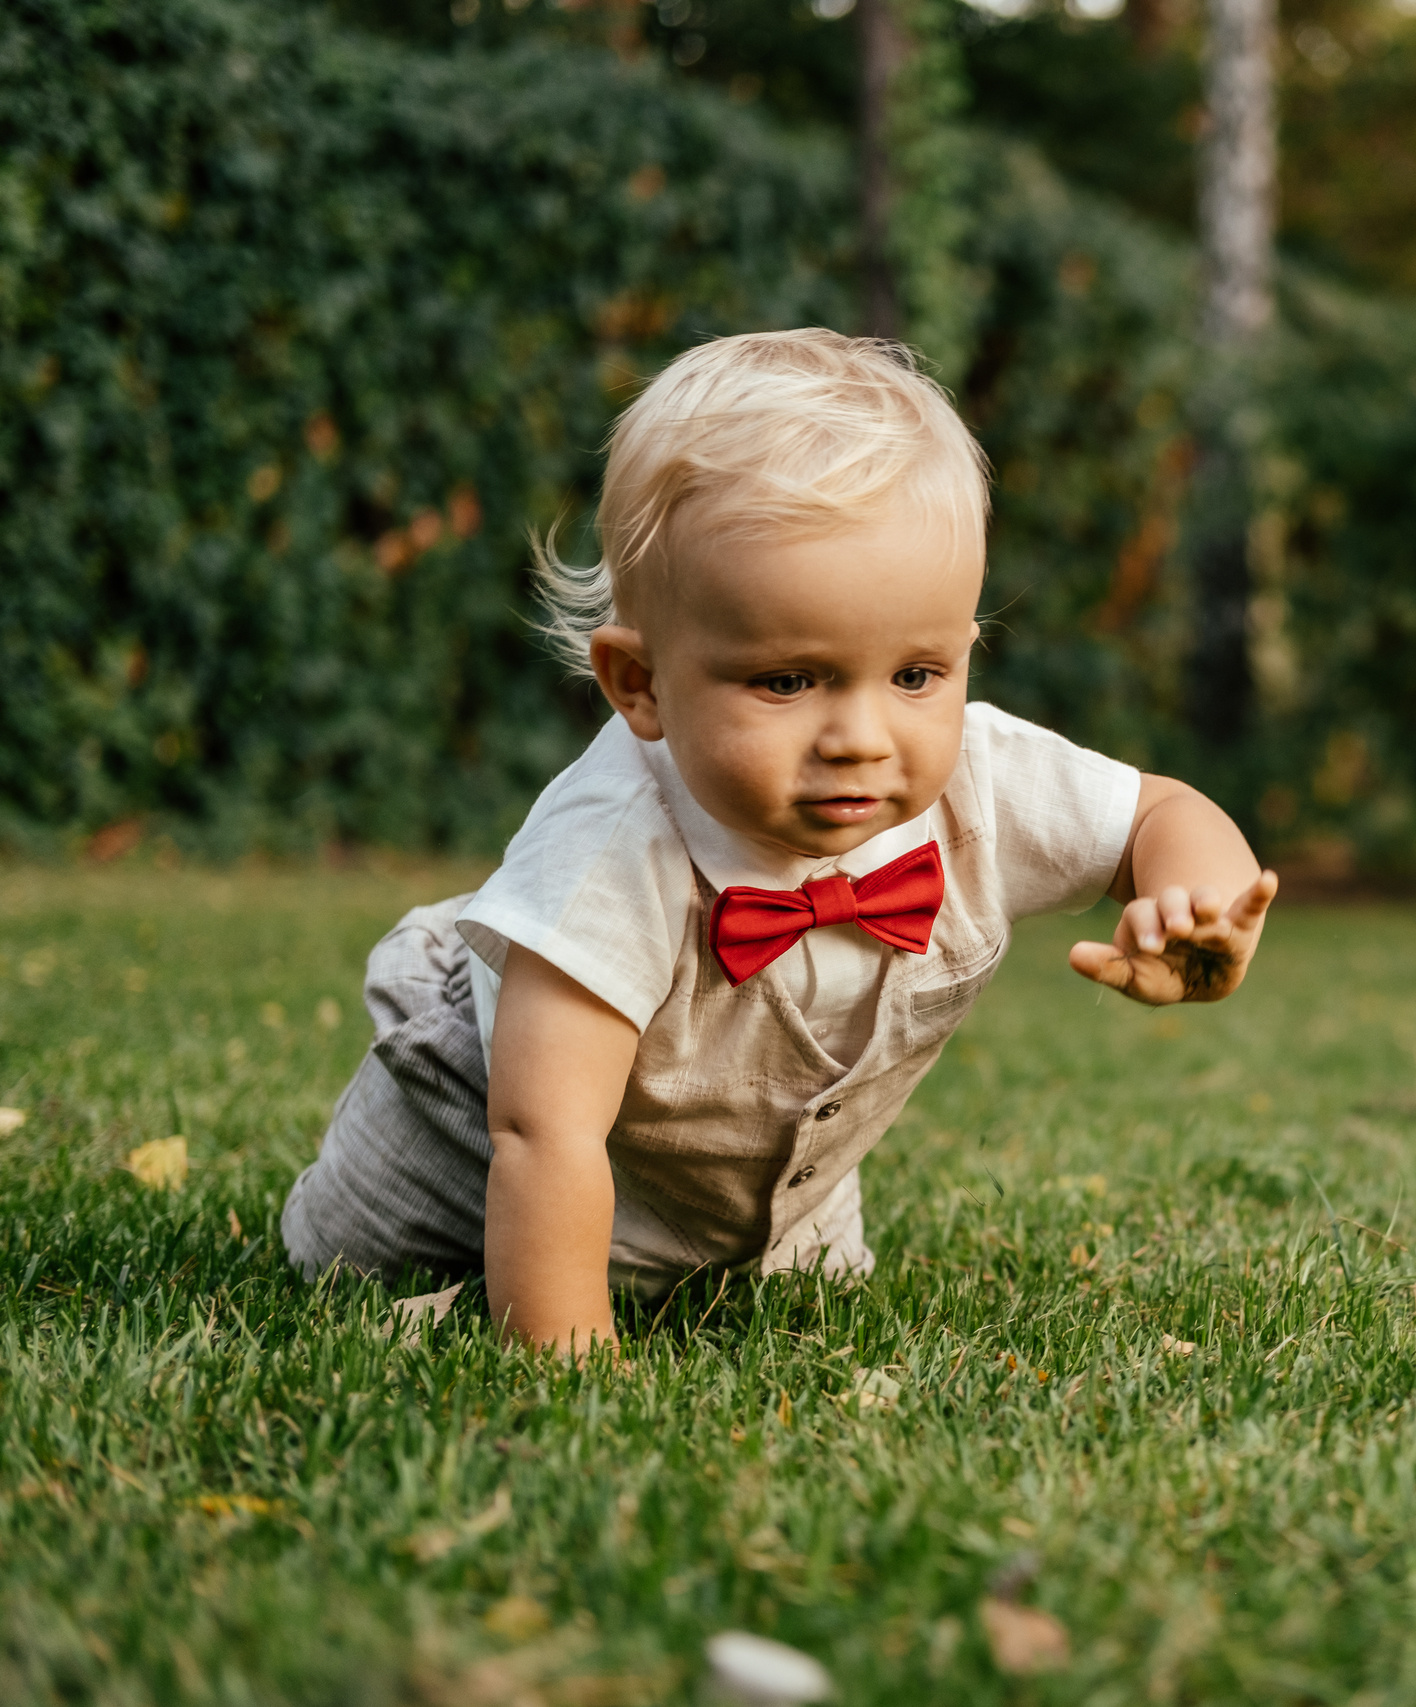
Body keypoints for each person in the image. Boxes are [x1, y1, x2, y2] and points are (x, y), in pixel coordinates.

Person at [281, 329, 1278, 1356]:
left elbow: (1159, 813)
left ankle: (739, 1261)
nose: (860, 737)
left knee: (799, 1309)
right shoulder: (613, 847)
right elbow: (543, 1133)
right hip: (456, 1190)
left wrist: (1195, 900)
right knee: (377, 1294)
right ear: (640, 683)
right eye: (788, 681)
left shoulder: (982, 780)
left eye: (916, 675)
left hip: (761, 1208)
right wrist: (563, 1367)